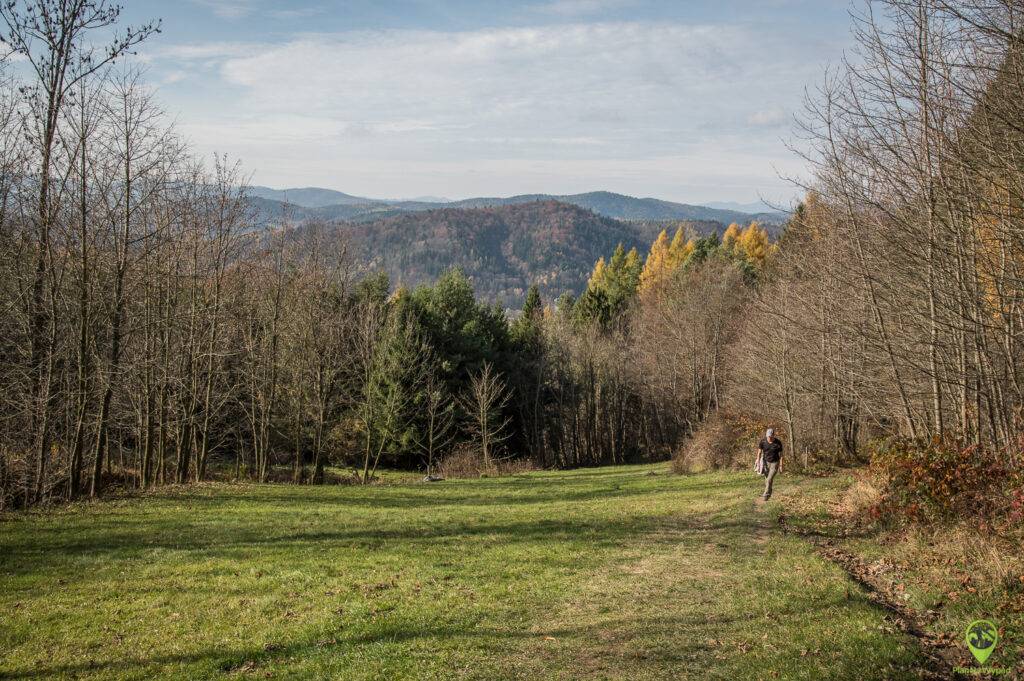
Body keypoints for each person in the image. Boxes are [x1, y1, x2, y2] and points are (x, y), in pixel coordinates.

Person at [757, 428, 783, 500]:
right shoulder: (763, 441)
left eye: (771, 436)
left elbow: (781, 455)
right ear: (766, 435)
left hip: (775, 463)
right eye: (768, 436)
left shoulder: (778, 443)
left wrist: (781, 465)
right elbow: (759, 452)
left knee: (769, 479)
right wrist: (758, 462)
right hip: (765, 462)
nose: (769, 438)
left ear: (773, 435)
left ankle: (765, 494)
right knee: (767, 479)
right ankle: (769, 492)